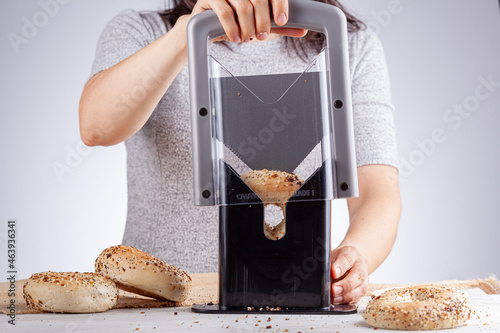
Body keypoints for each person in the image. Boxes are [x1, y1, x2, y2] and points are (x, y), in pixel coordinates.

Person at [79, 0, 401, 305]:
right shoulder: (143, 31)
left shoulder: (349, 44)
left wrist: (355, 254)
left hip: (294, 305)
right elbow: (96, 125)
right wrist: (187, 35)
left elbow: (378, 191)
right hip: (159, 308)